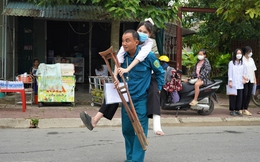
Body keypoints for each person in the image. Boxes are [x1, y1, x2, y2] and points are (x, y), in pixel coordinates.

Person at [80, 18, 165, 136]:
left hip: (147, 80)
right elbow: (118, 59)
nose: (142, 34)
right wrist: (115, 78)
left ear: (150, 35)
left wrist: (160, 87)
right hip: (128, 81)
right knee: (114, 91)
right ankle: (95, 120)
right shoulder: (127, 44)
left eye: (145, 32)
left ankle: (157, 126)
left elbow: (144, 61)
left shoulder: (147, 49)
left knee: (155, 93)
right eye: (140, 30)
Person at [115, 29, 164, 162]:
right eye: (123, 41)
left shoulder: (148, 56)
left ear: (136, 42)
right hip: (126, 101)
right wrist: (116, 81)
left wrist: (157, 89)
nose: (124, 44)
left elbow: (160, 72)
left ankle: (136, 160)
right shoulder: (122, 58)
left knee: (139, 131)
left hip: (141, 100)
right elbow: (120, 76)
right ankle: (130, 158)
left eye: (128, 40)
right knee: (127, 130)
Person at [228, 48, 248, 116]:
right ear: (235, 54)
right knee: (233, 97)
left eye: (240, 53)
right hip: (233, 82)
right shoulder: (231, 63)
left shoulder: (243, 63)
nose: (239, 55)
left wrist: (245, 79)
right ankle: (232, 110)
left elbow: (244, 73)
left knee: (240, 97)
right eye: (237, 53)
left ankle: (238, 110)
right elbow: (230, 72)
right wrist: (230, 81)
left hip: (240, 83)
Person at [241, 46, 257, 116]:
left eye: (251, 52)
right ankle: (241, 108)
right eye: (249, 52)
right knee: (244, 94)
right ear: (245, 52)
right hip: (244, 80)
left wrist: (254, 79)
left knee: (249, 95)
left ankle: (246, 109)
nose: (250, 53)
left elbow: (253, 70)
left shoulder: (251, 60)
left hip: (251, 79)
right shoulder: (242, 59)